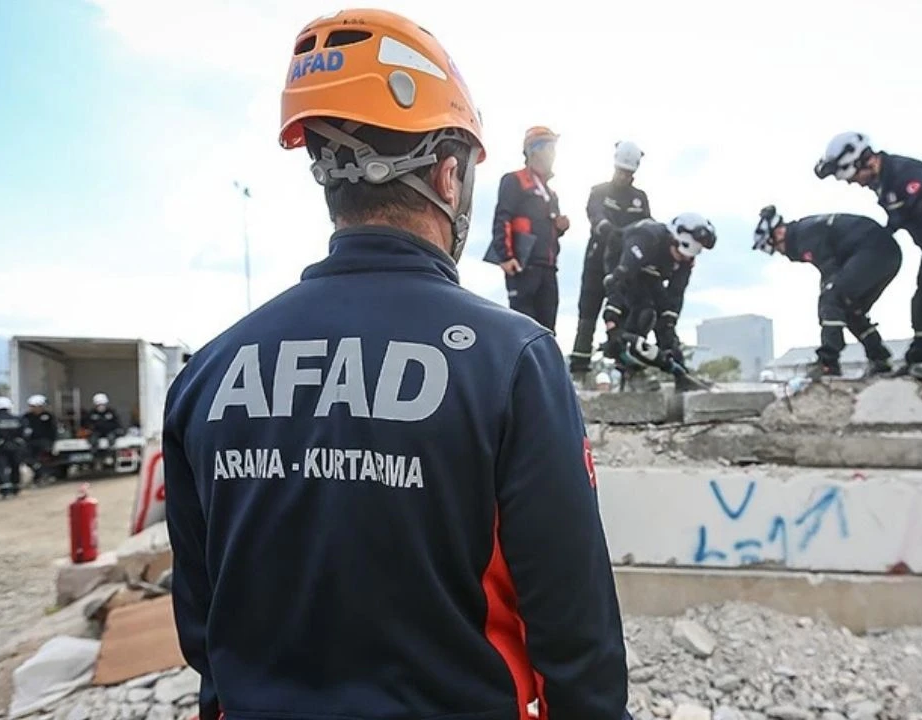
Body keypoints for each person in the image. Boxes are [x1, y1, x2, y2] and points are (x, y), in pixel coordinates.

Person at [161, 10, 628, 720]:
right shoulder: (514, 363)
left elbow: (203, 630)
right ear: (448, 175)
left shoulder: (207, 374)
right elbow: (575, 635)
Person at [815, 132, 922, 380]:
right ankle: (918, 358)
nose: (854, 183)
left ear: (868, 161)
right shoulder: (883, 181)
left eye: (853, 176)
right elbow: (902, 217)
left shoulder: (902, 174)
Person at [753, 205, 902, 378]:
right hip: (885, 253)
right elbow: (832, 269)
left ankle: (828, 363)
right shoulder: (805, 231)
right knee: (850, 309)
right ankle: (880, 358)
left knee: (831, 300)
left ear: (779, 233)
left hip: (874, 251)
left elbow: (830, 272)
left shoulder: (804, 237)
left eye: (773, 248)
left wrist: (827, 297)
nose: (778, 253)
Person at [602, 214, 716, 391]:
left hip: (650, 274)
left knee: (664, 319)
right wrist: (612, 322)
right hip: (621, 265)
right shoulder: (646, 238)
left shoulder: (686, 260)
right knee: (643, 312)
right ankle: (632, 372)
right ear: (674, 240)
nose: (681, 260)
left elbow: (675, 296)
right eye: (678, 254)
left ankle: (682, 373)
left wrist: (669, 328)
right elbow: (618, 281)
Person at [568, 141, 652, 382]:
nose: (623, 176)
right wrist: (606, 229)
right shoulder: (599, 191)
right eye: (620, 171)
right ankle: (579, 371)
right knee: (588, 313)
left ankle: (630, 369)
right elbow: (594, 213)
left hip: (626, 265)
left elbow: (646, 226)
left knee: (624, 315)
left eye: (628, 172)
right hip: (596, 261)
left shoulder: (640, 198)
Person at [486, 126, 570, 331]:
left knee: (547, 331)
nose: (553, 154)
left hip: (548, 268)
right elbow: (502, 217)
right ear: (535, 149)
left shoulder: (551, 193)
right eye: (550, 147)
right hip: (523, 266)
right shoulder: (514, 180)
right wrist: (505, 256)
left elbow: (549, 230)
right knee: (523, 328)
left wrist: (560, 227)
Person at [0, 398, 27, 499]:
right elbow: (26, 432)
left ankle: (5, 490)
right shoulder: (18, 418)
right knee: (15, 466)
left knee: (1, 468)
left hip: (0, 448)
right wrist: (19, 441)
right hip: (15, 447)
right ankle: (15, 487)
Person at [23, 395, 58, 486]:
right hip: (30, 442)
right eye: (33, 407)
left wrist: (52, 442)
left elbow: (53, 430)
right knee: (29, 460)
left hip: (45, 442)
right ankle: (39, 474)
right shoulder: (26, 417)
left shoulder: (48, 416)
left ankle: (45, 476)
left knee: (46, 459)